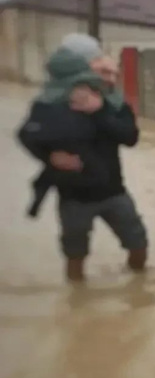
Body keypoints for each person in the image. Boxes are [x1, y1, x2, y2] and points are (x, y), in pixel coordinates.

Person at [17, 34, 147, 282]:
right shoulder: (50, 103)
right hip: (73, 197)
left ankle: (139, 286)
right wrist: (50, 157)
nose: (108, 77)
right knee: (75, 255)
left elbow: (130, 137)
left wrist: (98, 111)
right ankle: (76, 296)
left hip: (114, 192)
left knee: (138, 244)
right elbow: (27, 135)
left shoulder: (112, 102)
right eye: (98, 66)